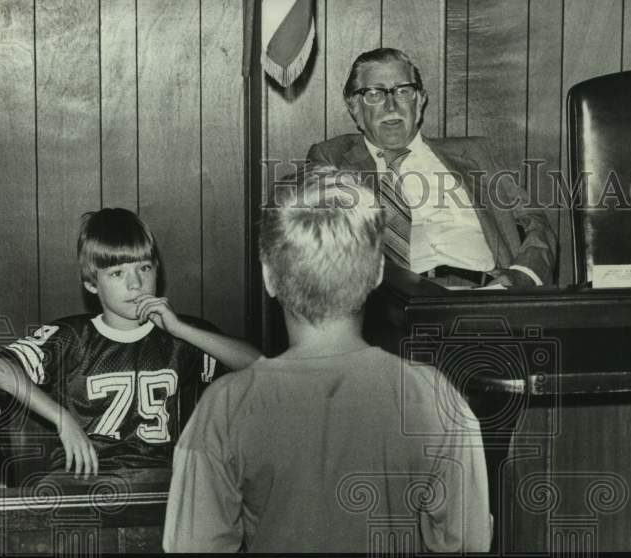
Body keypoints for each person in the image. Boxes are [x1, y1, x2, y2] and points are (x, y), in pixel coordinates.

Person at [163, 176, 491, 552]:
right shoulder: (435, 398)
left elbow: (193, 546)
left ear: (269, 276)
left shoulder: (223, 407)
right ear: (378, 273)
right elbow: (468, 542)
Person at [0, 208, 260, 478]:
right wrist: (62, 418)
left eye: (144, 268)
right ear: (92, 284)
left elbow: (259, 366)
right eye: (117, 273)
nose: (135, 284)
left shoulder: (181, 336)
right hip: (81, 477)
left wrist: (181, 330)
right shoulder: (71, 336)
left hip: (159, 480)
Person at [306, 47, 556, 288]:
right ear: (354, 107)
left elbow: (534, 220)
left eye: (403, 91)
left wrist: (522, 276)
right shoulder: (333, 158)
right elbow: (318, 241)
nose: (391, 106)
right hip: (393, 305)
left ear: (420, 101)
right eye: (374, 94)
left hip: (485, 296)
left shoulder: (477, 154)